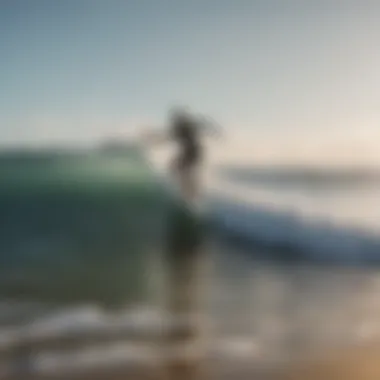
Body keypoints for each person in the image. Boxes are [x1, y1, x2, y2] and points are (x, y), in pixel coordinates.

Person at [142, 107, 221, 202]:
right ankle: (191, 192)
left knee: (179, 168)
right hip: (196, 152)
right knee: (180, 168)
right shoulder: (188, 125)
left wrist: (153, 139)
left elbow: (166, 137)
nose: (174, 122)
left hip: (192, 152)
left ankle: (191, 193)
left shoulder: (183, 127)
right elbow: (204, 125)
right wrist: (215, 132)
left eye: (175, 120)